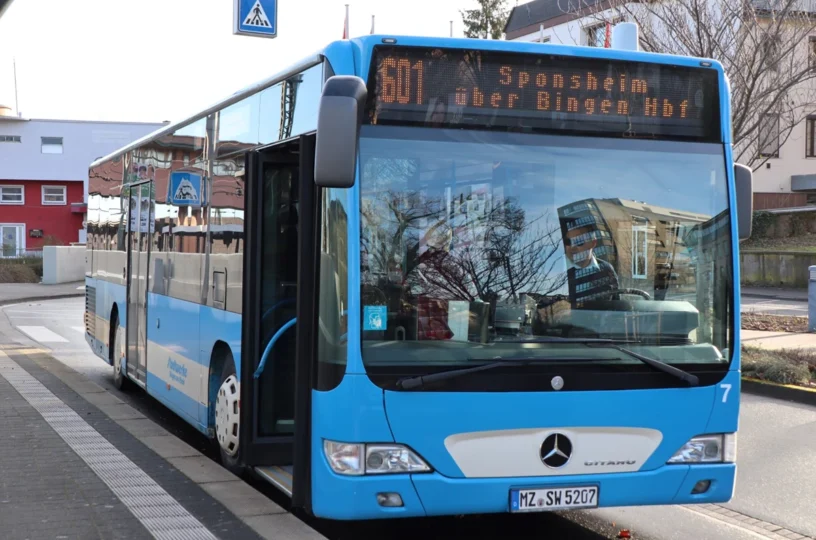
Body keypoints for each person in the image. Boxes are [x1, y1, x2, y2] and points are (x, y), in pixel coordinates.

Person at [563, 227, 619, 307]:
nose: (572, 247)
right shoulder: (556, 268)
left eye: (578, 241)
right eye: (568, 242)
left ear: (593, 243)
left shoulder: (606, 270)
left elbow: (616, 306)